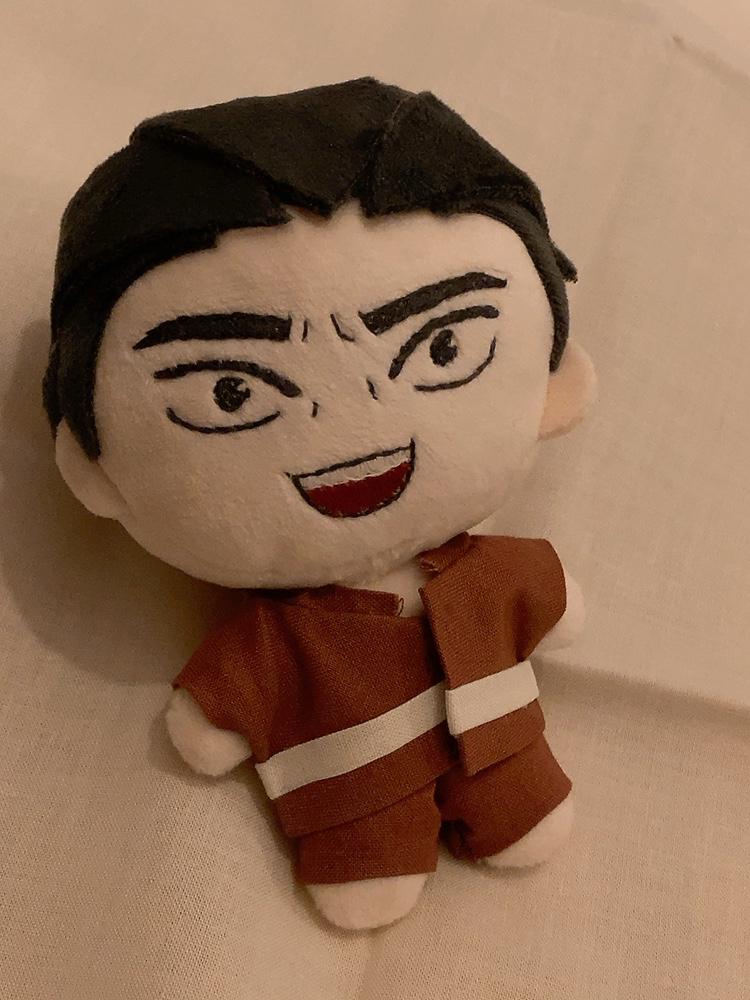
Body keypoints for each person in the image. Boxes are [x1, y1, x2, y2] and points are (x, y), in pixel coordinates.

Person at [45, 78, 596, 929]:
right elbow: (219, 710)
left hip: (504, 741)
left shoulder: (482, 571)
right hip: (353, 786)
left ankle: (512, 809)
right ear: (97, 472)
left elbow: (548, 602)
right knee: (367, 856)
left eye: (441, 346)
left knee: (523, 803)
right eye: (231, 392)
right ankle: (373, 850)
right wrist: (215, 719)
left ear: (556, 387)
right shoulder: (282, 638)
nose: (354, 420)